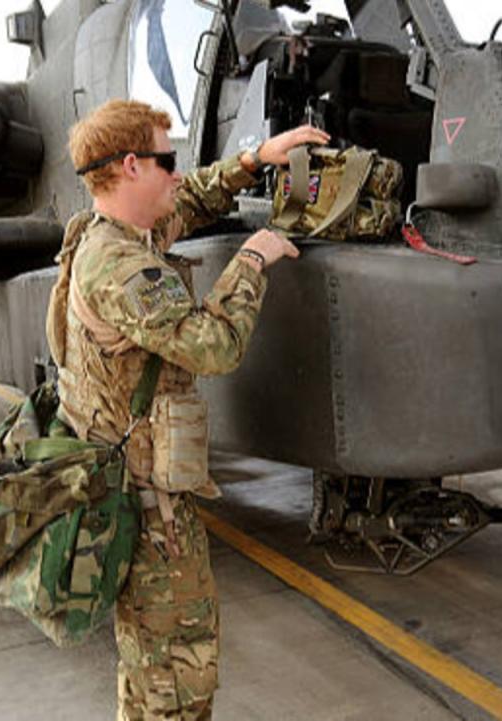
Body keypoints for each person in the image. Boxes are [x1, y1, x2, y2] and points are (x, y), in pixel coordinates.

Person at [46, 98, 329, 720]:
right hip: (148, 508)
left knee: (150, 669)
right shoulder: (119, 267)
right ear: (129, 167)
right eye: (166, 160)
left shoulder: (117, 233)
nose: (177, 172)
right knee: (178, 673)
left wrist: (257, 159)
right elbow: (214, 344)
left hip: (141, 491)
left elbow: (193, 199)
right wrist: (253, 259)